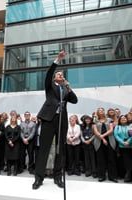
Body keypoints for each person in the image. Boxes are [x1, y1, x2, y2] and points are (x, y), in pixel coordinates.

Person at [32, 50, 78, 190]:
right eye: (59, 74)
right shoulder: (50, 86)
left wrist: (68, 86)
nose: (60, 75)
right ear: (54, 78)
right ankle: (39, 178)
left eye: (62, 75)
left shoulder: (65, 90)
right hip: (48, 119)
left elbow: (75, 100)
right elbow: (49, 74)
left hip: (62, 121)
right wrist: (57, 59)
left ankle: (58, 176)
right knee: (44, 149)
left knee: (60, 149)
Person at [93, 107, 118, 183]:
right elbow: (95, 131)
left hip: (109, 140)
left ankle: (112, 176)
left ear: (104, 112)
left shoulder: (109, 120)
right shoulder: (95, 121)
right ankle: (101, 176)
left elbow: (111, 130)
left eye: (102, 110)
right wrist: (102, 138)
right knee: (100, 159)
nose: (101, 111)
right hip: (99, 141)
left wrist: (103, 136)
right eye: (99, 110)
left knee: (111, 159)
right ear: (97, 112)